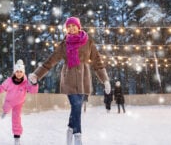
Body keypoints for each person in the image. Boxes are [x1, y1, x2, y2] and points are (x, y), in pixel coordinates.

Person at [28, 17, 111, 145]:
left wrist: (105, 80)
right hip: (69, 79)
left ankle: (69, 132)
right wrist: (37, 74)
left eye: (74, 26)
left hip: (84, 80)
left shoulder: (88, 42)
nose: (71, 28)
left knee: (76, 108)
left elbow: (97, 62)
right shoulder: (64, 44)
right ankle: (78, 137)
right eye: (69, 26)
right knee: (76, 105)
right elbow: (50, 61)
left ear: (79, 26)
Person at [0, 59, 38, 145]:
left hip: (18, 103)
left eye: (21, 71)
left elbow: (33, 91)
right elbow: (0, 89)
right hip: (9, 101)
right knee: (6, 108)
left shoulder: (26, 82)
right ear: (14, 72)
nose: (19, 73)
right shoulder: (9, 81)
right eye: (17, 71)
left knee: (16, 119)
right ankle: (5, 112)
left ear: (23, 72)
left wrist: (34, 84)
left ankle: (17, 137)